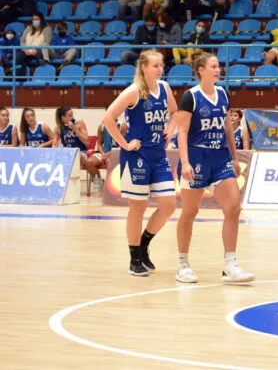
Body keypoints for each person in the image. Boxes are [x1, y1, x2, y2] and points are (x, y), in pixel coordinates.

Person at [174, 50, 255, 284]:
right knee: (190, 212)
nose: (217, 69)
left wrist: (233, 157)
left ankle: (230, 265)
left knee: (233, 208)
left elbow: (228, 129)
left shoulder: (223, 93)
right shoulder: (190, 96)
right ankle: (183, 264)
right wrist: (186, 162)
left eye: (218, 66)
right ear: (200, 70)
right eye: (212, 66)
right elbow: (182, 132)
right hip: (196, 157)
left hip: (220, 157)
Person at [102, 50, 177, 277]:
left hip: (159, 155)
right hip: (137, 156)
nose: (159, 69)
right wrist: (124, 144)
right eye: (154, 65)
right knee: (138, 207)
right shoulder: (133, 92)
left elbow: (174, 113)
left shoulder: (164, 88)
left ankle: (144, 243)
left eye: (161, 65)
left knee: (169, 205)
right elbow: (108, 118)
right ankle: (134, 257)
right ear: (143, 67)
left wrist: (171, 129)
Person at [54, 107, 100, 181]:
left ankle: (97, 184)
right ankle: (63, 183)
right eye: (70, 115)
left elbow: (86, 141)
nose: (72, 117)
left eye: (72, 115)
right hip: (67, 153)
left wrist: (76, 130)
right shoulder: (58, 128)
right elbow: (54, 145)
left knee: (78, 157)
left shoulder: (79, 122)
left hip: (81, 152)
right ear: (63, 117)